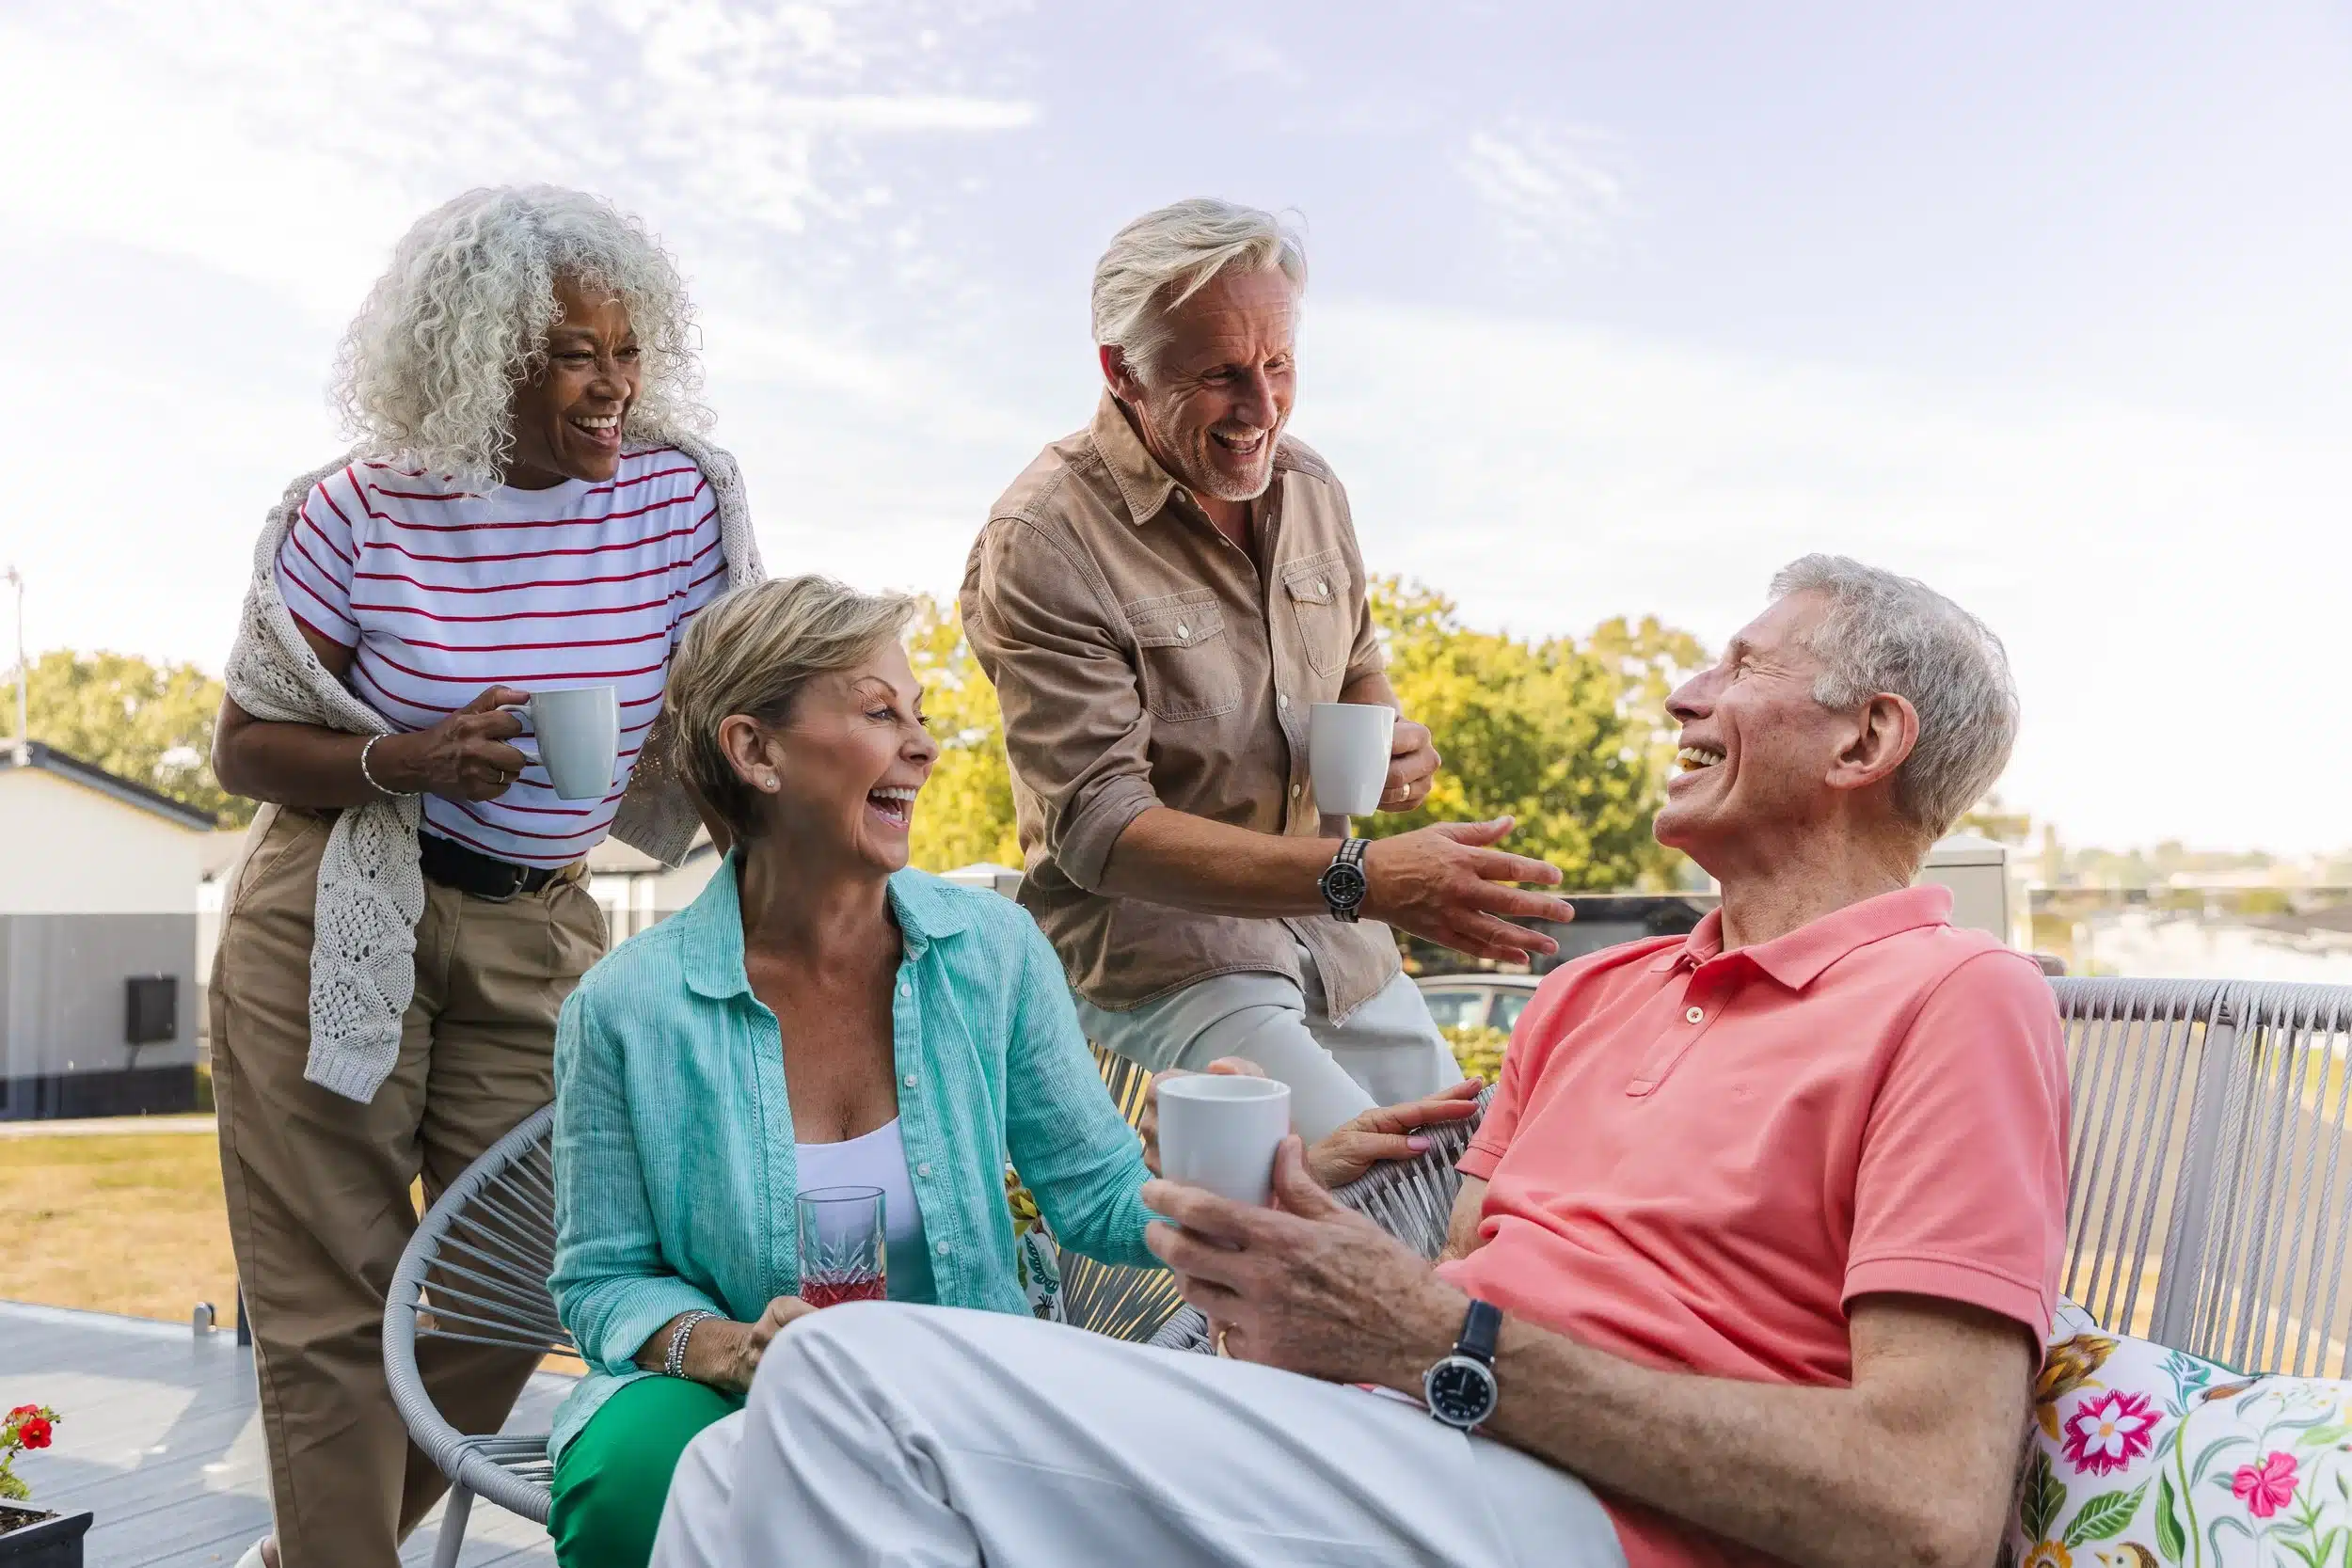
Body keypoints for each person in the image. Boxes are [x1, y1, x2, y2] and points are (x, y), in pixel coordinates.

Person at [654, 555, 2071, 1568]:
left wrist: (1434, 1340)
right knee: (734, 1458)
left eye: (1744, 666)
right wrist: (1304, 1301)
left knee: (846, 1374)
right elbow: (1456, 1298)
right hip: (1405, 1448)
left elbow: (1928, 1509)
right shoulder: (1591, 996)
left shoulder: (1958, 998)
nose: (1686, 691)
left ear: (1868, 739)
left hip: (1601, 1514)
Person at [542, 573, 1477, 1568]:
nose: (924, 744)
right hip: (720, 1387)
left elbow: (1099, 1201)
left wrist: (1267, 1177)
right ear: (753, 750)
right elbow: (601, 1280)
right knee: (632, 1475)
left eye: (920, 712)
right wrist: (733, 1347)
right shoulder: (626, 1004)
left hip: (967, 1376)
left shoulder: (991, 950)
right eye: (876, 711)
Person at [207, 185, 763, 1568]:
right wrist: (407, 753)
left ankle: (317, 1545)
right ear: (480, 354)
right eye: (576, 352)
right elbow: (242, 744)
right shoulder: (352, 511)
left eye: (626, 350)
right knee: (331, 1294)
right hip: (341, 902)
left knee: (519, 1277)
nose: (612, 386)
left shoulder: (683, 497)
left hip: (541, 915)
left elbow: (731, 709)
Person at [961, 198, 1578, 1141]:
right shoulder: (1043, 538)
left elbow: (1358, 659)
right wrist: (1364, 874)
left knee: (1477, 1182)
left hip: (1341, 947)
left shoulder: (1311, 487)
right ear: (1120, 370)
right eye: (1218, 375)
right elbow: (1099, 829)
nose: (1261, 408)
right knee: (1361, 1198)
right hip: (1166, 958)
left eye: (1278, 364)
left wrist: (1389, 740)